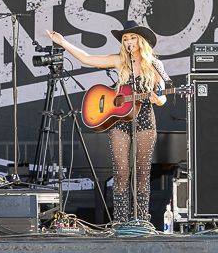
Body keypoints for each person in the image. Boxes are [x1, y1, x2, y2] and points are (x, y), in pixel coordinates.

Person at [46, 20, 169, 224]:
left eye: (132, 38)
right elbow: (87, 59)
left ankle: (141, 222)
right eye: (125, 39)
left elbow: (163, 93)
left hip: (145, 118)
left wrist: (159, 98)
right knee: (120, 173)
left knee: (142, 174)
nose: (129, 41)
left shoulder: (155, 64)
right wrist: (63, 43)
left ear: (141, 41)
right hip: (119, 121)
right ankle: (120, 222)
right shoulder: (119, 61)